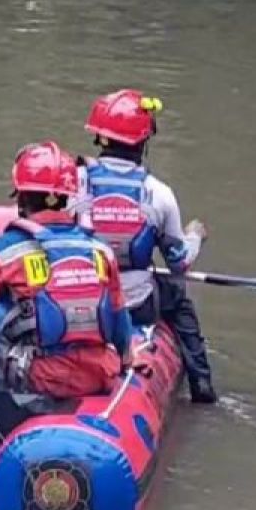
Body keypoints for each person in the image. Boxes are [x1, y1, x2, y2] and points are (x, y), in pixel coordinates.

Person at [0, 141, 143, 400]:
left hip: (40, 377)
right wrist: (127, 359)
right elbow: (119, 318)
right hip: (98, 375)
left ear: (22, 197)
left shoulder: (6, 250)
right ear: (68, 198)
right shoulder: (100, 250)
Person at [78, 90, 217, 403]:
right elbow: (179, 263)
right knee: (178, 299)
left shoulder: (71, 182)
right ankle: (202, 384)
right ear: (144, 142)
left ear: (100, 139)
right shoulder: (159, 194)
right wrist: (195, 236)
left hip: (78, 300)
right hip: (135, 305)